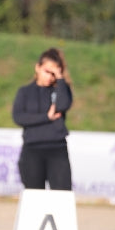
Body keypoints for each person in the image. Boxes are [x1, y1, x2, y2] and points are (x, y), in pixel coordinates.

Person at [11, 47, 74, 190]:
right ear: (37, 68)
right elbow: (19, 117)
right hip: (32, 149)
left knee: (61, 195)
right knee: (34, 196)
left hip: (57, 148)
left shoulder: (61, 89)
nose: (50, 77)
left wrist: (60, 78)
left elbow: (63, 105)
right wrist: (47, 117)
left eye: (54, 73)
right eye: (47, 71)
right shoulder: (25, 92)